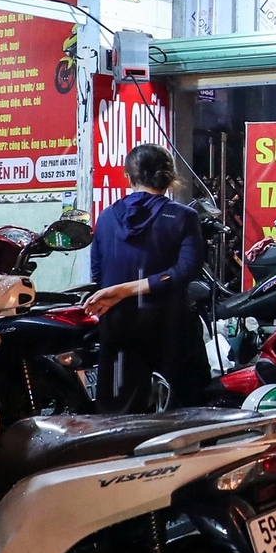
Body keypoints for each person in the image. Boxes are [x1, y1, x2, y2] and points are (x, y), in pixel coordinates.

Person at [86, 143, 208, 412]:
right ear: (169, 177)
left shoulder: (106, 217)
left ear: (129, 177)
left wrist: (122, 290)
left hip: (119, 324)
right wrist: (134, 288)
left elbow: (97, 272)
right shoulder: (184, 217)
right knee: (183, 408)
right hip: (170, 323)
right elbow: (186, 271)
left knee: (117, 409)